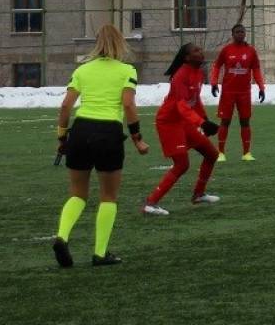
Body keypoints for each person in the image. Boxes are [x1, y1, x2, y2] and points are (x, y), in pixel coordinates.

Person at [51, 23, 150, 268]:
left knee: (77, 194)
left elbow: (65, 106)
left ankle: (62, 236)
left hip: (81, 131)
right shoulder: (126, 70)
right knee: (108, 196)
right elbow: (128, 105)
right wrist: (137, 138)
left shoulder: (83, 70)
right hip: (108, 134)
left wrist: (62, 138)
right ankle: (100, 253)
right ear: (120, 43)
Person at [142, 43, 223, 216]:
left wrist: (205, 120)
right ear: (186, 57)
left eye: (200, 50)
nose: (200, 52)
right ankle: (151, 203)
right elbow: (181, 106)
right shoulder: (180, 75)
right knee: (182, 164)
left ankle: (198, 194)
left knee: (212, 154)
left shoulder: (199, 72)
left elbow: (195, 100)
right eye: (196, 51)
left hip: (184, 121)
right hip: (169, 122)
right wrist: (201, 123)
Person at [210, 24, 266, 162]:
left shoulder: (251, 51)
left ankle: (246, 153)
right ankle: (221, 153)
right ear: (232, 34)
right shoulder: (226, 50)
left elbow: (257, 70)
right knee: (225, 121)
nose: (240, 34)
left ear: (245, 33)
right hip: (228, 92)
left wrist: (261, 87)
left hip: (244, 92)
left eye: (242, 31)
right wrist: (214, 83)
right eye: (237, 32)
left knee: (245, 121)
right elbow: (217, 66)